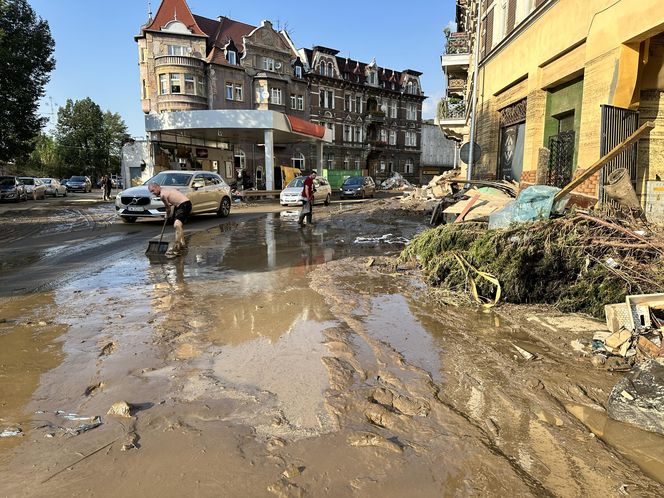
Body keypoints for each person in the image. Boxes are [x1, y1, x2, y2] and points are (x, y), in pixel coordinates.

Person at [147, 182, 192, 254]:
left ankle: (177, 246)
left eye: (153, 190)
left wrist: (166, 215)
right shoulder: (166, 189)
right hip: (179, 206)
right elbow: (177, 190)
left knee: (177, 225)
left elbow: (168, 208)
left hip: (184, 205)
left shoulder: (162, 195)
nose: (153, 193)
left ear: (157, 187)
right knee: (178, 226)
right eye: (151, 192)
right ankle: (183, 245)